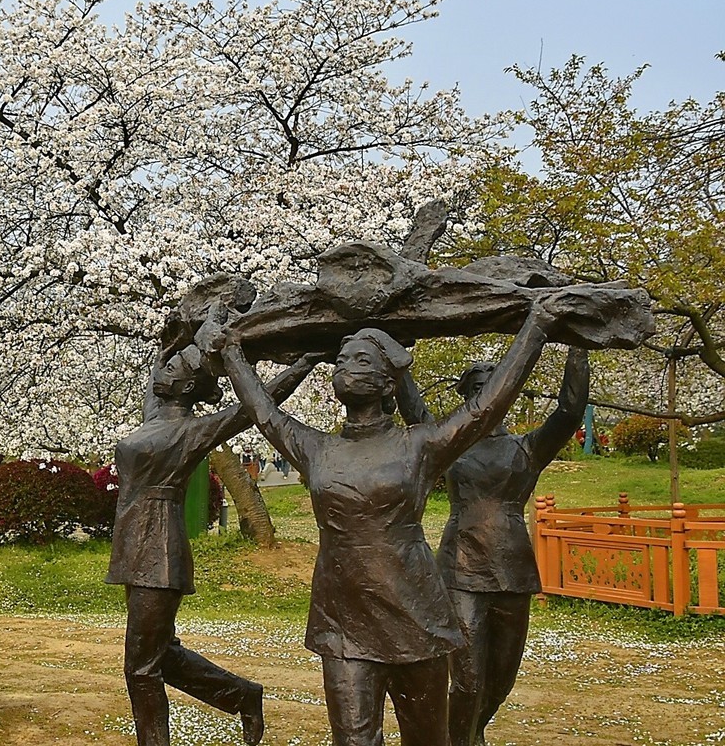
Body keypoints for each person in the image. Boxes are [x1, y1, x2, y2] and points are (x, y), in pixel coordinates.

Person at [207, 297, 560, 746]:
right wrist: (231, 353)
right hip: (343, 622)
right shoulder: (318, 449)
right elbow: (262, 411)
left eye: (361, 359)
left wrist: (537, 326)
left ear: (387, 383)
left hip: (416, 619)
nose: (345, 366)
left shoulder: (421, 446)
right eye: (341, 359)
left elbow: (487, 406)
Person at [105, 341, 320, 746]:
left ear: (188, 389)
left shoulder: (191, 431)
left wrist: (305, 359)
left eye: (175, 367)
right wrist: (171, 336)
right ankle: (242, 695)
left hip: (159, 552)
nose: (164, 370)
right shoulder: (155, 417)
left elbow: (257, 403)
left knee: (141, 668)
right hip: (133, 548)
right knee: (160, 656)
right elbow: (156, 377)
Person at [396, 348, 588, 746]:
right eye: (477, 390)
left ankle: (470, 730)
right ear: (468, 398)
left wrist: (577, 348)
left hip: (513, 572)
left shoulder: (527, 449)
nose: (486, 396)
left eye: (494, 387)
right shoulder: (450, 445)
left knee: (502, 678)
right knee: (466, 680)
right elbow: (416, 414)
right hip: (461, 572)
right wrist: (398, 365)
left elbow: (570, 412)